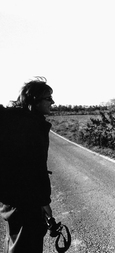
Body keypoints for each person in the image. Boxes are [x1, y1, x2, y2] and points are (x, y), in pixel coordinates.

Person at [0, 77, 56, 253]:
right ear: (34, 100)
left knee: (15, 242)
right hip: (26, 201)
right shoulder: (30, 127)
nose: (52, 102)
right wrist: (44, 202)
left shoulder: (14, 120)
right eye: (48, 98)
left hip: (10, 199)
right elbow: (34, 168)